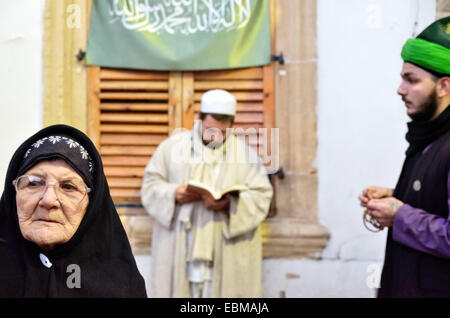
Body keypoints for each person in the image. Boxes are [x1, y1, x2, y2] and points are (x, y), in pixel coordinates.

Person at [141, 89, 273, 298]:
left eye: (221, 132)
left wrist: (230, 204)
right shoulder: (171, 149)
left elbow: (261, 196)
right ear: (200, 119)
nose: (214, 136)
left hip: (223, 250)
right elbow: (150, 185)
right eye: (210, 129)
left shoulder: (246, 155)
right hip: (181, 245)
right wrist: (174, 193)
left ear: (231, 125)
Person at [359, 16, 450, 297]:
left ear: (444, 86)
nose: (401, 89)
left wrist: (399, 215)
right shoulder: (429, 135)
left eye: (411, 80)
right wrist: (396, 195)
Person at [0, 124, 147, 297]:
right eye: (33, 183)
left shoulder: (119, 287)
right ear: (13, 194)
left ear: (92, 206)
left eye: (68, 187)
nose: (48, 200)